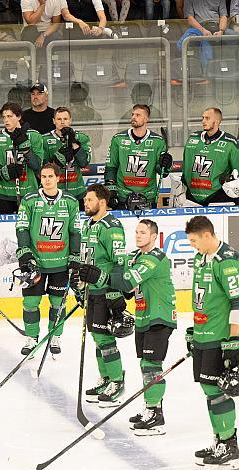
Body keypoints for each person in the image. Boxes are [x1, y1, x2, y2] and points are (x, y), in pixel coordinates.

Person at [108, 219, 176, 436]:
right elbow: (127, 290)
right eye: (136, 232)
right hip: (143, 316)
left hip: (159, 316)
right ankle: (151, 407)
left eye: (143, 232)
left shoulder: (155, 258)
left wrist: (101, 276)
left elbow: (127, 282)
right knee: (145, 364)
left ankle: (155, 414)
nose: (138, 236)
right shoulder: (136, 257)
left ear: (154, 236)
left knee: (151, 365)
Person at [185, 215, 239, 466]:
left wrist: (234, 344)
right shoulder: (200, 258)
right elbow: (203, 298)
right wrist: (193, 329)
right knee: (209, 390)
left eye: (195, 240)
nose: (192, 245)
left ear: (208, 235)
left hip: (220, 337)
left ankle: (229, 444)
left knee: (217, 391)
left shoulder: (226, 261)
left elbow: (237, 302)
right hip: (204, 335)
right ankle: (221, 441)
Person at [15, 163, 81, 355]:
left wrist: (75, 256)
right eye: (43, 177)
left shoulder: (70, 201)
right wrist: (25, 252)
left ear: (58, 178)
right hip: (36, 263)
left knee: (58, 303)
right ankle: (31, 338)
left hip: (60, 263)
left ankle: (55, 336)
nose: (47, 180)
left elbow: (75, 231)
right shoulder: (29, 200)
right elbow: (22, 228)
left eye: (50, 176)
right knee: (30, 303)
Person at [76, 184, 128, 406]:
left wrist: (115, 293)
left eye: (89, 200)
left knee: (106, 339)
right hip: (91, 291)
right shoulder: (88, 225)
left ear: (102, 202)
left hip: (105, 291)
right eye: (85, 200)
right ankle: (106, 378)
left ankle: (117, 381)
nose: (85, 204)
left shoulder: (112, 227)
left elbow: (120, 263)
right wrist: (78, 284)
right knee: (98, 338)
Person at [104, 104, 172, 210]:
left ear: (146, 119)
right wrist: (111, 192)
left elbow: (162, 172)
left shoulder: (157, 141)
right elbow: (111, 167)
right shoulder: (118, 139)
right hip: (123, 196)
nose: (133, 117)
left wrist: (166, 164)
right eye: (132, 114)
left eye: (138, 115)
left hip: (148, 197)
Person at [0, 101, 44, 214]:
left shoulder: (34, 136)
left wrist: (25, 149)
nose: (6, 120)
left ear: (19, 116)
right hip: (2, 193)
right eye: (4, 117)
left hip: (28, 192)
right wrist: (2, 172)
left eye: (10, 116)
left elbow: (37, 166)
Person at [180, 107, 239, 205]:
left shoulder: (230, 143)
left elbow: (237, 172)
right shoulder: (192, 139)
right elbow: (186, 168)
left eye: (207, 118)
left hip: (219, 197)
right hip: (192, 197)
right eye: (203, 118)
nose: (203, 121)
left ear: (217, 121)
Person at [42, 107, 91, 211]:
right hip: (54, 191)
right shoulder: (44, 139)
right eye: (59, 119)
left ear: (70, 120)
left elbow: (84, 163)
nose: (62, 122)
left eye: (65, 119)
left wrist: (73, 142)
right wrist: (59, 156)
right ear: (53, 121)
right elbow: (43, 167)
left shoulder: (82, 137)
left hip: (77, 191)